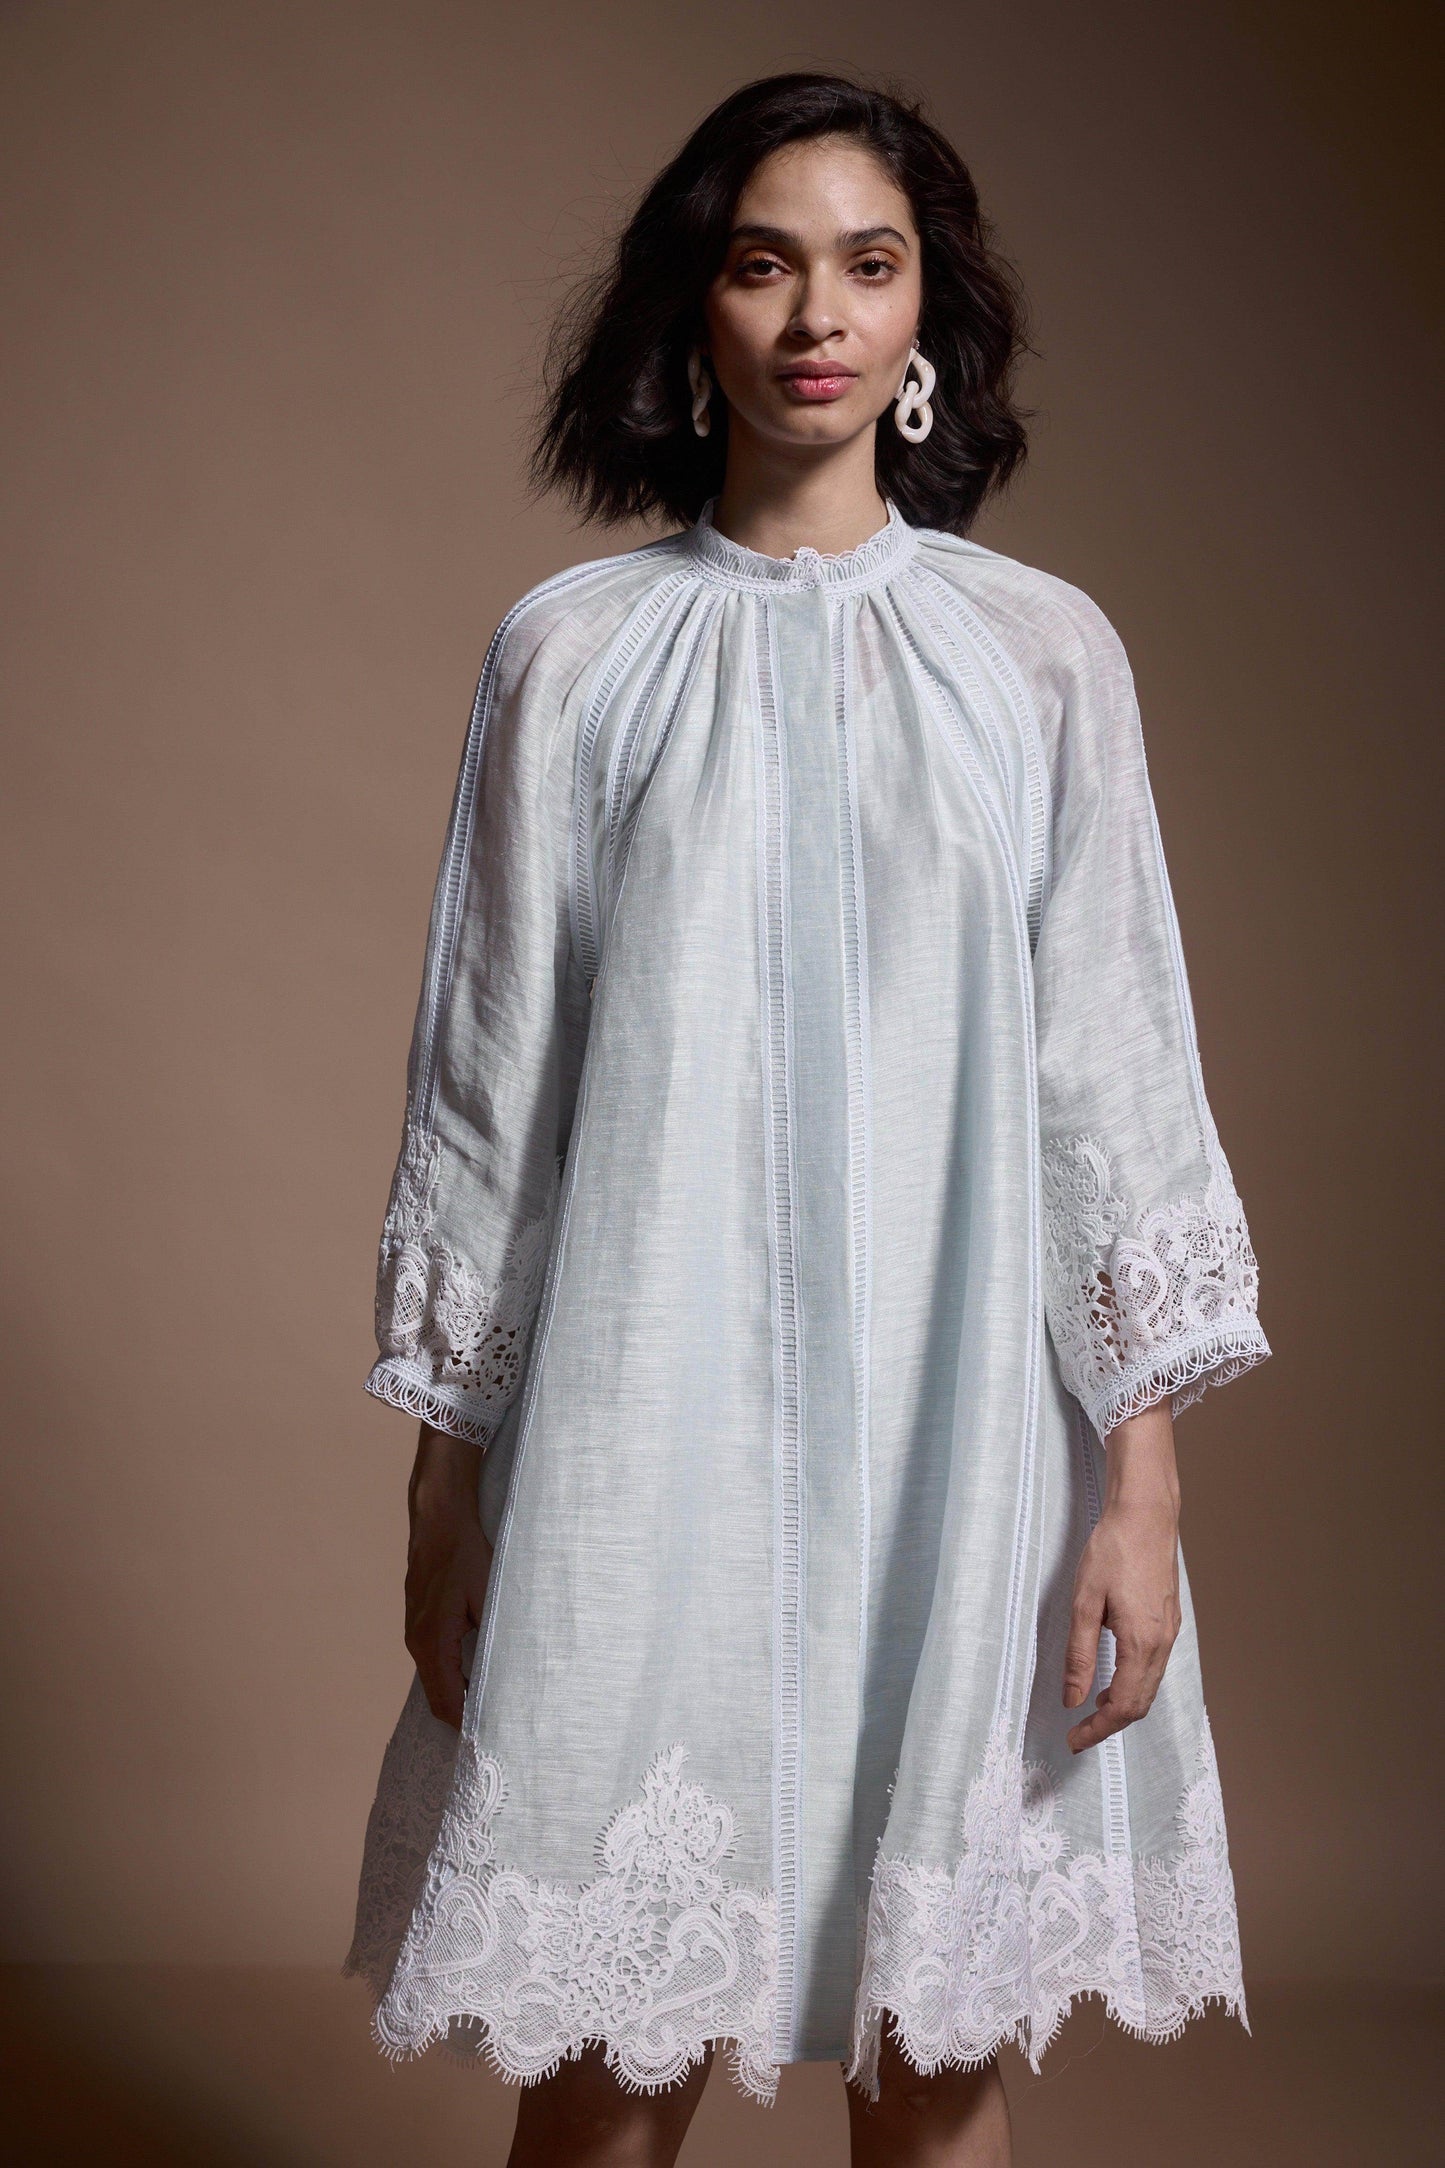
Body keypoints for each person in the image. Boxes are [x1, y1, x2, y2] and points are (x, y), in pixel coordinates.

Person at [343, 72, 1271, 2168]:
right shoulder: (572, 661)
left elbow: (1110, 1081)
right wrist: (445, 1488)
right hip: (645, 1432)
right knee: (608, 2049)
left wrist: (1140, 1489)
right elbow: (492, 1092)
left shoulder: (1039, 658)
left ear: (929, 314)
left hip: (969, 1441)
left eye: (871, 264)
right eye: (766, 265)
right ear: (698, 308)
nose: (819, 315)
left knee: (935, 2047)